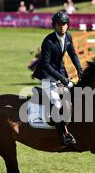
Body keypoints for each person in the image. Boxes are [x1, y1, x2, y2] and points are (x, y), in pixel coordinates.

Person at [32, 11, 83, 147]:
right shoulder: (48, 41)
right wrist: (62, 78)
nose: (62, 27)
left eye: (65, 24)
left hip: (60, 72)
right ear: (54, 25)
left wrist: (80, 69)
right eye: (59, 24)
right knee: (57, 103)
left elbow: (73, 54)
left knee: (71, 99)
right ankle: (63, 136)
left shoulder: (68, 37)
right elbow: (46, 65)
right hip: (47, 75)